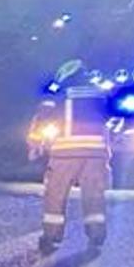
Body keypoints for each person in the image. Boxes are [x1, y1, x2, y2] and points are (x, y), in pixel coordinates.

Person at [28, 93, 111, 254]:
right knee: (94, 196)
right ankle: (97, 235)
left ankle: (51, 238)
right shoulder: (97, 96)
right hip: (94, 153)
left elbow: (39, 124)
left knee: (55, 196)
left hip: (64, 154)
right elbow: (106, 127)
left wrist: (35, 147)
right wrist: (106, 156)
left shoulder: (54, 96)